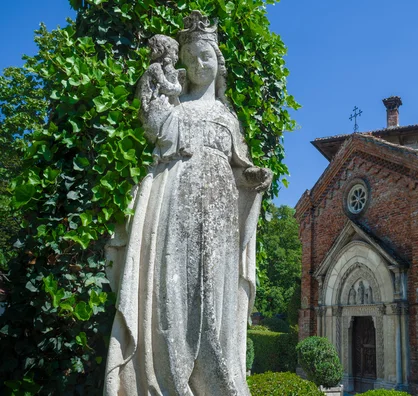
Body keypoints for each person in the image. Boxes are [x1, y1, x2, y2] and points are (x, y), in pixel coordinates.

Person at [104, 11, 272, 395]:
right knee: (171, 291)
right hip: (175, 202)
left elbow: (240, 168)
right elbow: (157, 133)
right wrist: (153, 93)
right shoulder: (175, 107)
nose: (199, 64)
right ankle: (168, 378)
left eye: (206, 56)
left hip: (219, 212)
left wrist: (255, 178)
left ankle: (216, 380)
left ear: (219, 62)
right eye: (191, 57)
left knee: (214, 298)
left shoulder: (229, 118)